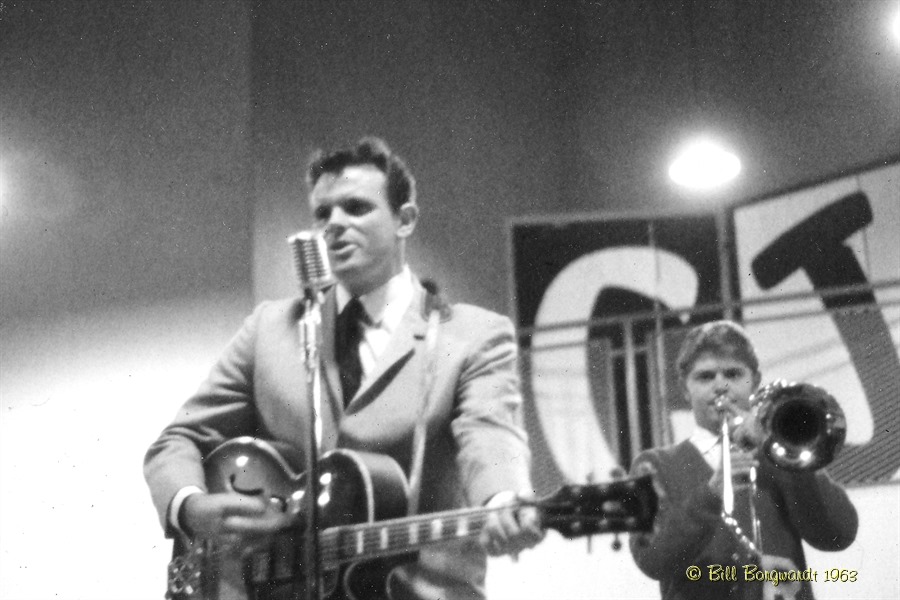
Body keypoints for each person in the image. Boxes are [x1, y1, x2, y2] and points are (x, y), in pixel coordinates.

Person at [144, 137, 544, 600]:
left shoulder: (472, 335)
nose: (334, 224)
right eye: (322, 213)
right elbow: (178, 441)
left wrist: (503, 499)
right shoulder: (270, 329)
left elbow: (491, 434)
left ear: (405, 219)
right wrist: (190, 507)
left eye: (355, 208)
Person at [628, 320, 858, 600]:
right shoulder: (653, 465)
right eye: (705, 377)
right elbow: (652, 559)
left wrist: (781, 454)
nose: (721, 387)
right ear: (684, 388)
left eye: (734, 374)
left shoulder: (780, 458)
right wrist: (711, 493)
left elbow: (838, 535)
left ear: (755, 380)